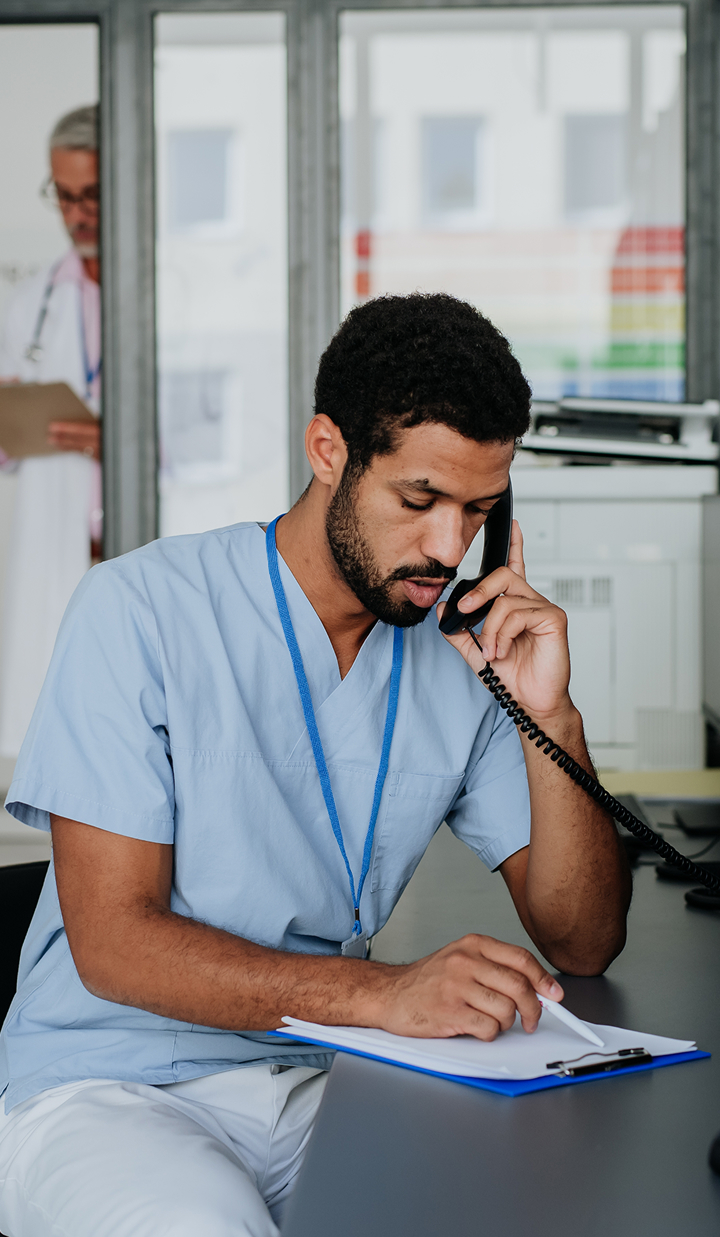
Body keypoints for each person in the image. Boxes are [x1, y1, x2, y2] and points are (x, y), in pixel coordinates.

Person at [0, 294, 631, 1237]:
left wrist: (552, 712)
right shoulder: (139, 610)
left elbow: (583, 939)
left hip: (321, 1082)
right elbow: (113, 942)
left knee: (530, 1207)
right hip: (115, 1085)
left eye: (479, 511)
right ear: (328, 450)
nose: (450, 550)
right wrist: (388, 993)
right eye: (419, 502)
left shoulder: (461, 656)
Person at [0, 104, 102, 760]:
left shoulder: (163, 289)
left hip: (126, 532)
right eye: (61, 196)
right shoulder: (29, 301)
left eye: (89, 194)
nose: (75, 214)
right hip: (56, 539)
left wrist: (113, 439)